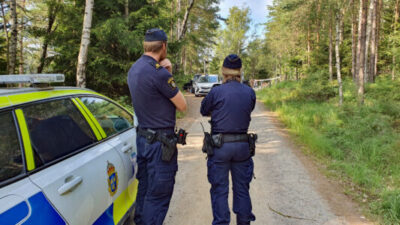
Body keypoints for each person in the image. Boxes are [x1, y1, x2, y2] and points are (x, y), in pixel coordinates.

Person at [127, 28, 187, 225]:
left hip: (143, 138)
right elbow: (182, 105)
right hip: (160, 146)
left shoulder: (134, 69)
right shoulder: (159, 74)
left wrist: (164, 72)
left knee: (144, 187)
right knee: (158, 194)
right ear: (163, 46)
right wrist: (167, 73)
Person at [200, 54, 256, 225]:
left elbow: (203, 110)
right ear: (240, 72)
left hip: (220, 147)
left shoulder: (216, 91)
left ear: (223, 71)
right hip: (242, 147)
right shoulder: (249, 92)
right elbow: (248, 109)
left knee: (219, 190)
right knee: (241, 190)